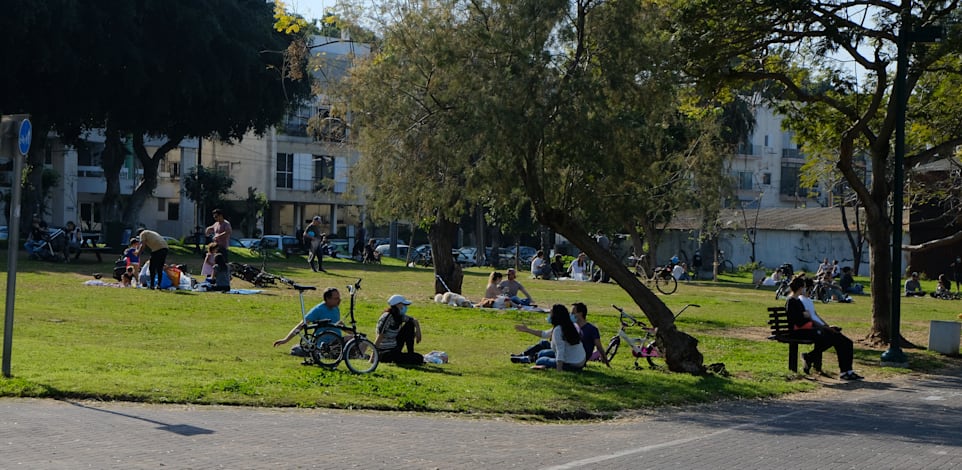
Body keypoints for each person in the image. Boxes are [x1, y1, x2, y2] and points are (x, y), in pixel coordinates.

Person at [785, 276, 862, 380]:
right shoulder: (792, 301)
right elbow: (798, 320)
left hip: (809, 328)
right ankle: (844, 371)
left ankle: (847, 371)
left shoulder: (798, 301)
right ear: (800, 288)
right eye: (804, 287)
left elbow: (808, 316)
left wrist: (825, 326)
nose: (805, 289)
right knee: (834, 338)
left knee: (846, 341)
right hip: (801, 331)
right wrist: (808, 317)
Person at [516, 305, 586, 371]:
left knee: (540, 361)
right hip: (579, 359)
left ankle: (535, 361)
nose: (549, 316)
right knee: (541, 353)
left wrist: (559, 369)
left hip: (572, 363)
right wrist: (527, 330)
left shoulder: (558, 330)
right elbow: (544, 334)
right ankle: (529, 358)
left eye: (550, 313)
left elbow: (560, 351)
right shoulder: (567, 325)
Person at [273, 287, 346, 351]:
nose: (339, 300)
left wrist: (344, 327)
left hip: (337, 341)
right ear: (327, 299)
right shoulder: (318, 310)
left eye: (339, 298)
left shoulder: (336, 308)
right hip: (324, 344)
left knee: (351, 340)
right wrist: (285, 340)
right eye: (336, 298)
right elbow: (302, 324)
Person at [374, 295, 423, 364]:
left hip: (395, 347)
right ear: (398, 305)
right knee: (417, 358)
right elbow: (380, 336)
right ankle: (409, 357)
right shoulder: (387, 317)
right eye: (404, 305)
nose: (405, 307)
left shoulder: (399, 316)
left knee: (410, 324)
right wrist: (373, 357)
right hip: (385, 351)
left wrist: (418, 331)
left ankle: (410, 353)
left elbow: (413, 320)